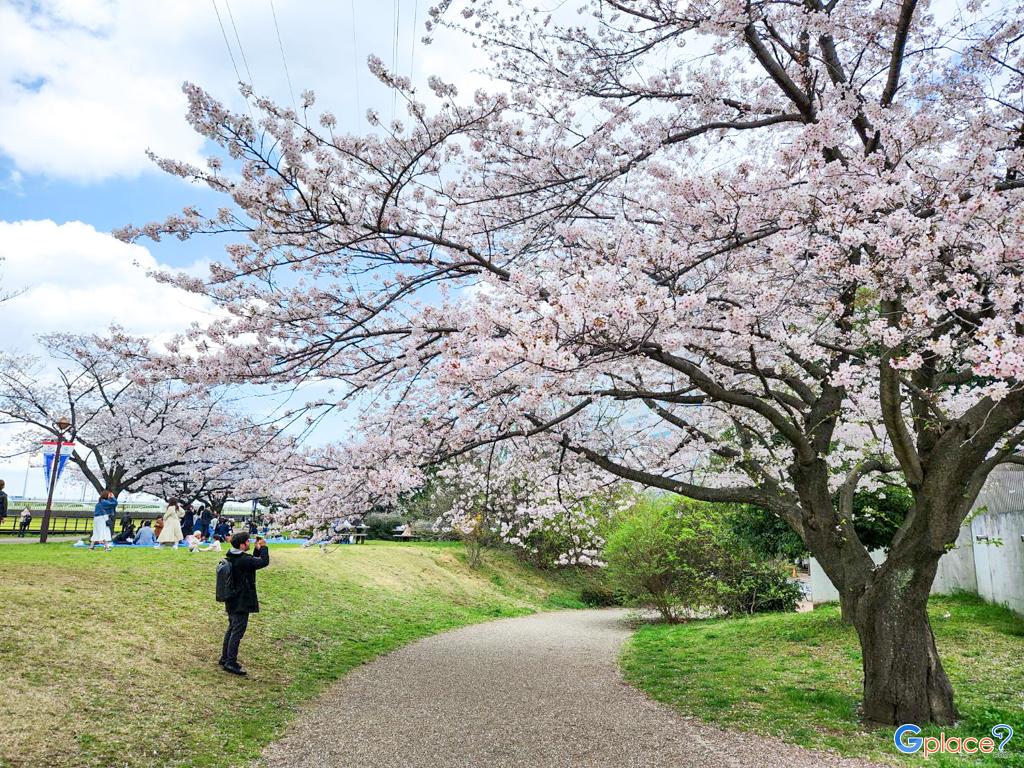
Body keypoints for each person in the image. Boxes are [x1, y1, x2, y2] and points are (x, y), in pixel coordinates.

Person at [219, 532, 270, 676]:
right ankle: (230, 662)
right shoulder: (243, 560)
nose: (249, 543)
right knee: (237, 632)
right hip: (241, 601)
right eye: (247, 542)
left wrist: (256, 549)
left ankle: (225, 658)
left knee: (231, 629)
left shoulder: (232, 557)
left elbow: (252, 562)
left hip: (232, 600)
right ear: (242, 544)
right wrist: (264, 547)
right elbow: (262, 562)